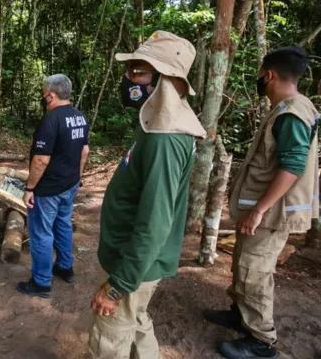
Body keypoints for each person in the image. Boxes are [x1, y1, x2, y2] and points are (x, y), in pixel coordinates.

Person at [88, 31, 206, 359]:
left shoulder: (165, 141)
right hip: (132, 261)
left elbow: (155, 223)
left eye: (137, 71)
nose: (128, 79)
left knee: (108, 338)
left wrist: (116, 287)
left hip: (132, 266)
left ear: (164, 79)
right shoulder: (154, 127)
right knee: (136, 322)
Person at [204, 47, 318, 359]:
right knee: (244, 264)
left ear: (268, 75)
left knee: (254, 272)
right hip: (265, 213)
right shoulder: (288, 108)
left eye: (260, 73)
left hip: (272, 215)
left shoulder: (292, 113)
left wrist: (259, 209)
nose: (259, 79)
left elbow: (292, 167)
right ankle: (241, 314)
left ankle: (261, 340)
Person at [17, 74, 90, 298]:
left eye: (44, 95)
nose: (43, 98)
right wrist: (77, 178)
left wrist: (29, 189)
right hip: (69, 184)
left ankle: (41, 282)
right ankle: (65, 267)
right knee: (63, 225)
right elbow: (84, 151)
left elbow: (41, 160)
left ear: (52, 95)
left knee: (41, 233)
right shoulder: (80, 117)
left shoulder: (51, 120)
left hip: (48, 189)